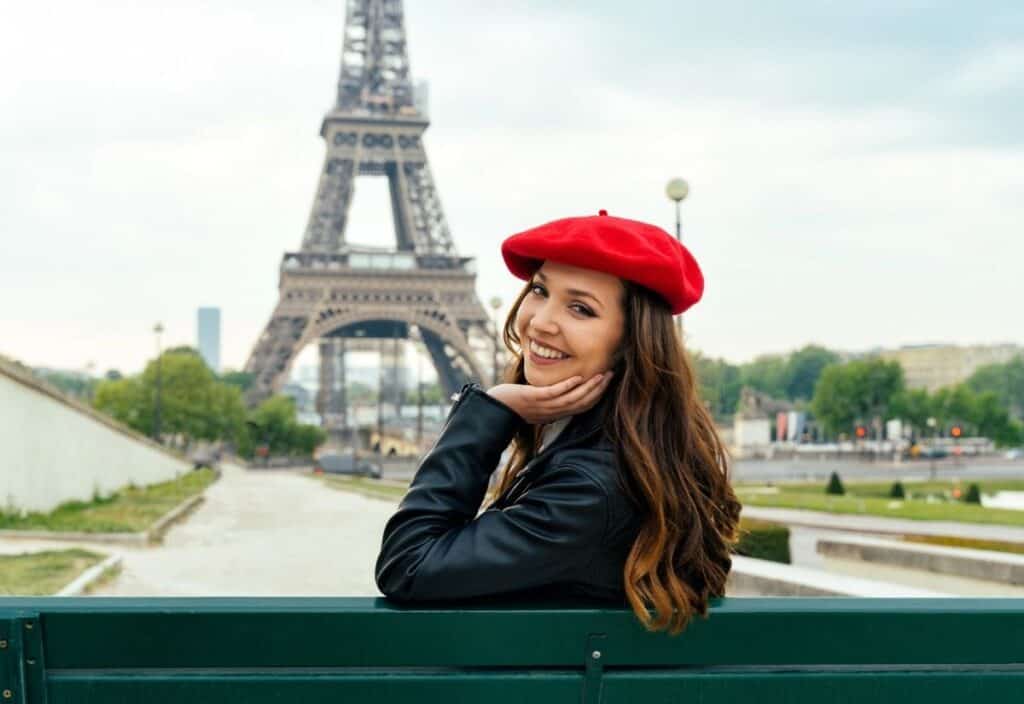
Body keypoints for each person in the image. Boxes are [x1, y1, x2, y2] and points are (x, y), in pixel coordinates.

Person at [375, 210, 742, 635]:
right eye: (539, 290)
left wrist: (487, 410)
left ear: (631, 344)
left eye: (581, 309)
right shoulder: (625, 457)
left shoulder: (588, 490)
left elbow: (408, 564)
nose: (541, 321)